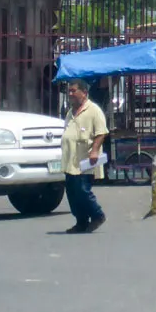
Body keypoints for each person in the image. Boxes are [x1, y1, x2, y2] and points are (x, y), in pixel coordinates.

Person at [61, 79, 108, 234]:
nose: (70, 94)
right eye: (69, 91)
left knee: (83, 190)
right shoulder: (71, 112)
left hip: (85, 160)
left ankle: (97, 214)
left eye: (74, 91)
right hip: (70, 160)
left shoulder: (94, 110)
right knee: (72, 193)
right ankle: (81, 222)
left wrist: (94, 150)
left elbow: (101, 133)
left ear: (84, 92)